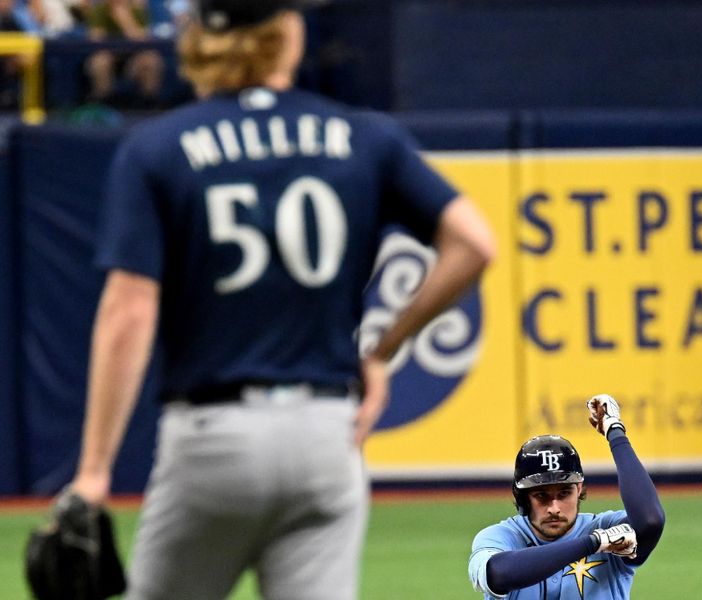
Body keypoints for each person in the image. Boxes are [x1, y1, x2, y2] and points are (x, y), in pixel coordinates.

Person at [65, 0, 496, 599]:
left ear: (198, 40)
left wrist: (92, 472)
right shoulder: (363, 135)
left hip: (213, 435)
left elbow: (129, 310)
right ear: (287, 35)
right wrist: (380, 350)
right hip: (326, 434)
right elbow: (474, 244)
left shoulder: (158, 148)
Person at [469, 394, 666, 599]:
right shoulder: (501, 536)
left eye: (564, 493)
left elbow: (650, 520)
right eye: (541, 495)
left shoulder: (605, 527)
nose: (554, 507)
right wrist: (593, 544)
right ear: (522, 496)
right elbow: (498, 574)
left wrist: (615, 433)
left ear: (579, 489)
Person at [83, 0, 164, 107]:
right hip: (109, 54)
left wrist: (125, 20)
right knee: (100, 61)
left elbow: (144, 40)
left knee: (151, 59)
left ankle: (149, 101)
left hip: (134, 56)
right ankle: (103, 100)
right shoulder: (99, 9)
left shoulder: (137, 9)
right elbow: (95, 39)